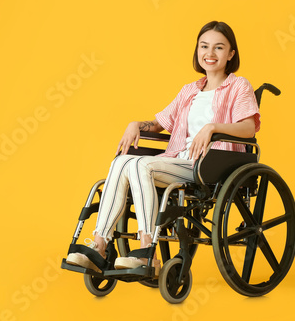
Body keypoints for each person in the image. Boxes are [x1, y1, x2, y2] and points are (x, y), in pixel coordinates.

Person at [66, 20, 261, 275]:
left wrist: (212, 127)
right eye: (204, 46)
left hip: (210, 165)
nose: (210, 54)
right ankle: (100, 244)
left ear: (231, 54)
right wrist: (135, 124)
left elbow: (248, 129)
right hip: (177, 159)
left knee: (140, 165)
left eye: (218, 48)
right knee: (121, 161)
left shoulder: (238, 86)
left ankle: (147, 250)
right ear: (197, 50)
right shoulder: (190, 90)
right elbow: (160, 124)